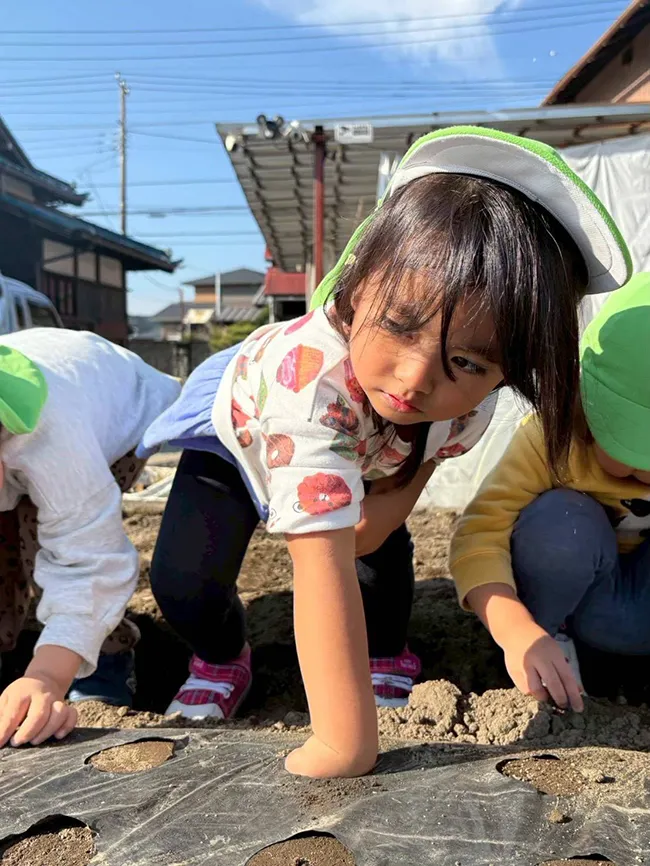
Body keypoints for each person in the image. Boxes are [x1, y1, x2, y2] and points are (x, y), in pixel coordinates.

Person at [142, 126, 630, 779]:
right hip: (243, 431)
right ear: (356, 285)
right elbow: (320, 565)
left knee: (381, 562)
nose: (414, 378)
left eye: (464, 360)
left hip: (375, 450)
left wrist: (375, 520)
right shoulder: (309, 385)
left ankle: (387, 652)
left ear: (506, 374)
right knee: (184, 581)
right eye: (400, 326)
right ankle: (222, 655)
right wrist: (346, 743)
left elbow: (387, 508)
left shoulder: (466, 409)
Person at [450, 273, 650, 715]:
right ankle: (549, 650)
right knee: (563, 522)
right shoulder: (552, 438)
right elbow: (482, 531)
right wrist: (516, 629)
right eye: (631, 451)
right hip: (564, 601)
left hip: (629, 614)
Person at [0, 329, 180, 749]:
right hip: (60, 385)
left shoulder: (54, 441)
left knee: (39, 536)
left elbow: (90, 560)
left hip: (123, 411)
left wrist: (46, 678)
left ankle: (106, 662)